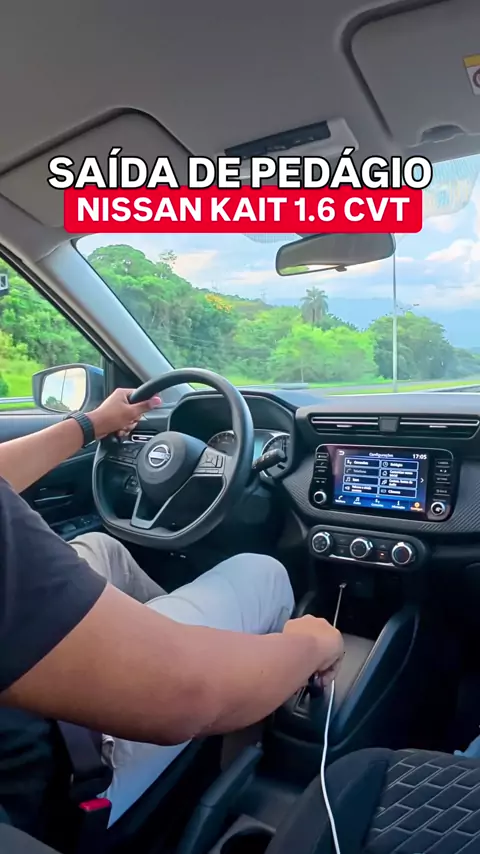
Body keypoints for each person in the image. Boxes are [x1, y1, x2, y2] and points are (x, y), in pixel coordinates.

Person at [0, 387, 344, 833]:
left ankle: (180, 643)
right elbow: (186, 696)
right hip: (51, 784)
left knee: (104, 548)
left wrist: (92, 424)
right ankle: (237, 763)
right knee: (262, 572)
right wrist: (311, 646)